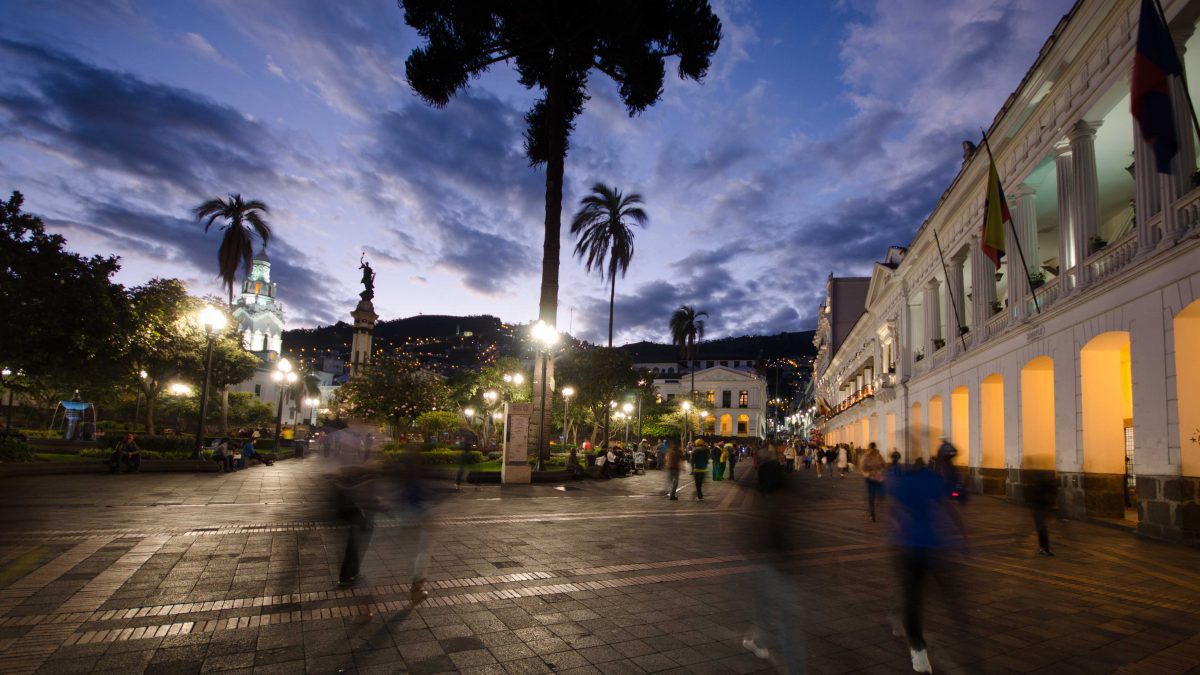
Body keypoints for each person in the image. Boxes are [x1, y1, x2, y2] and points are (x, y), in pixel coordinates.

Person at [888, 457, 968, 674]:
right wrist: (962, 538)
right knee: (932, 596)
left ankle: (918, 649)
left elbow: (895, 510)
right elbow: (950, 508)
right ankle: (923, 647)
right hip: (928, 546)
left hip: (916, 547)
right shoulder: (929, 478)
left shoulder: (903, 479)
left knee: (914, 598)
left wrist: (894, 539)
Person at [1030, 472, 1058, 556]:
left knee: (1042, 530)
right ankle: (1044, 549)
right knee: (1042, 530)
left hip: (1039, 509)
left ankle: (1043, 548)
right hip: (1040, 509)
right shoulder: (1043, 485)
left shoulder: (1038, 485)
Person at [862, 443, 886, 522]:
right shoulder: (867, 456)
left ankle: (873, 509)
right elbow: (863, 466)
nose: (872, 449)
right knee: (871, 496)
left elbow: (883, 464)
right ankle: (872, 513)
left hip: (877, 478)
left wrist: (880, 468)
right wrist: (869, 470)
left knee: (879, 495)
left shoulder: (878, 455)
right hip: (870, 479)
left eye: (872, 448)